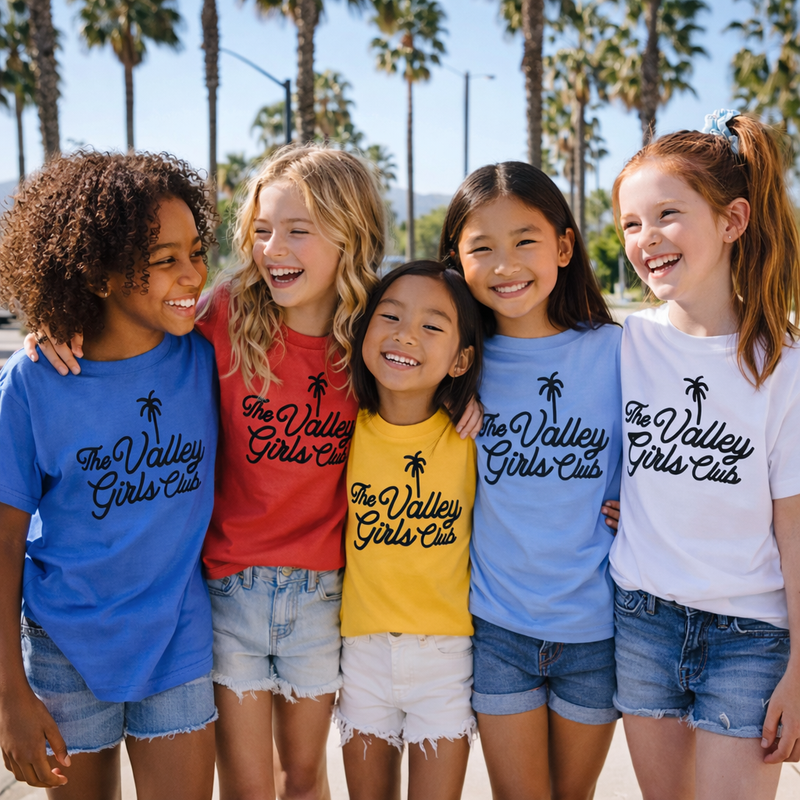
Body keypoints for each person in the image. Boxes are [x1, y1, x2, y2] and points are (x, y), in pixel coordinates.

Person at [0, 151, 219, 800]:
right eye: (163, 259)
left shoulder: (206, 358)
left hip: (177, 637)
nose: (192, 274)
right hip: (65, 645)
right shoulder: (34, 382)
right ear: (96, 275)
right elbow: (5, 543)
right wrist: (9, 694)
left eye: (196, 250)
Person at [609, 110, 800, 800]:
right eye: (631, 223)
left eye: (667, 214)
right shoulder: (624, 345)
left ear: (733, 220)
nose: (646, 238)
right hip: (642, 620)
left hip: (750, 634)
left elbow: (793, 526)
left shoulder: (781, 365)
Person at [438, 162, 623, 800]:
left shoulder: (616, 352)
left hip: (595, 630)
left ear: (565, 246)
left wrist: (642, 503)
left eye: (525, 241)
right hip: (499, 628)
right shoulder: (456, 365)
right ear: (456, 262)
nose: (505, 263)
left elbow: (652, 457)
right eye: (481, 247)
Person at [335, 261, 482, 800]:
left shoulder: (472, 435)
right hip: (361, 655)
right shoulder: (344, 427)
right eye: (390, 315)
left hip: (446, 658)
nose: (405, 335)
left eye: (432, 326)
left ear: (461, 357)